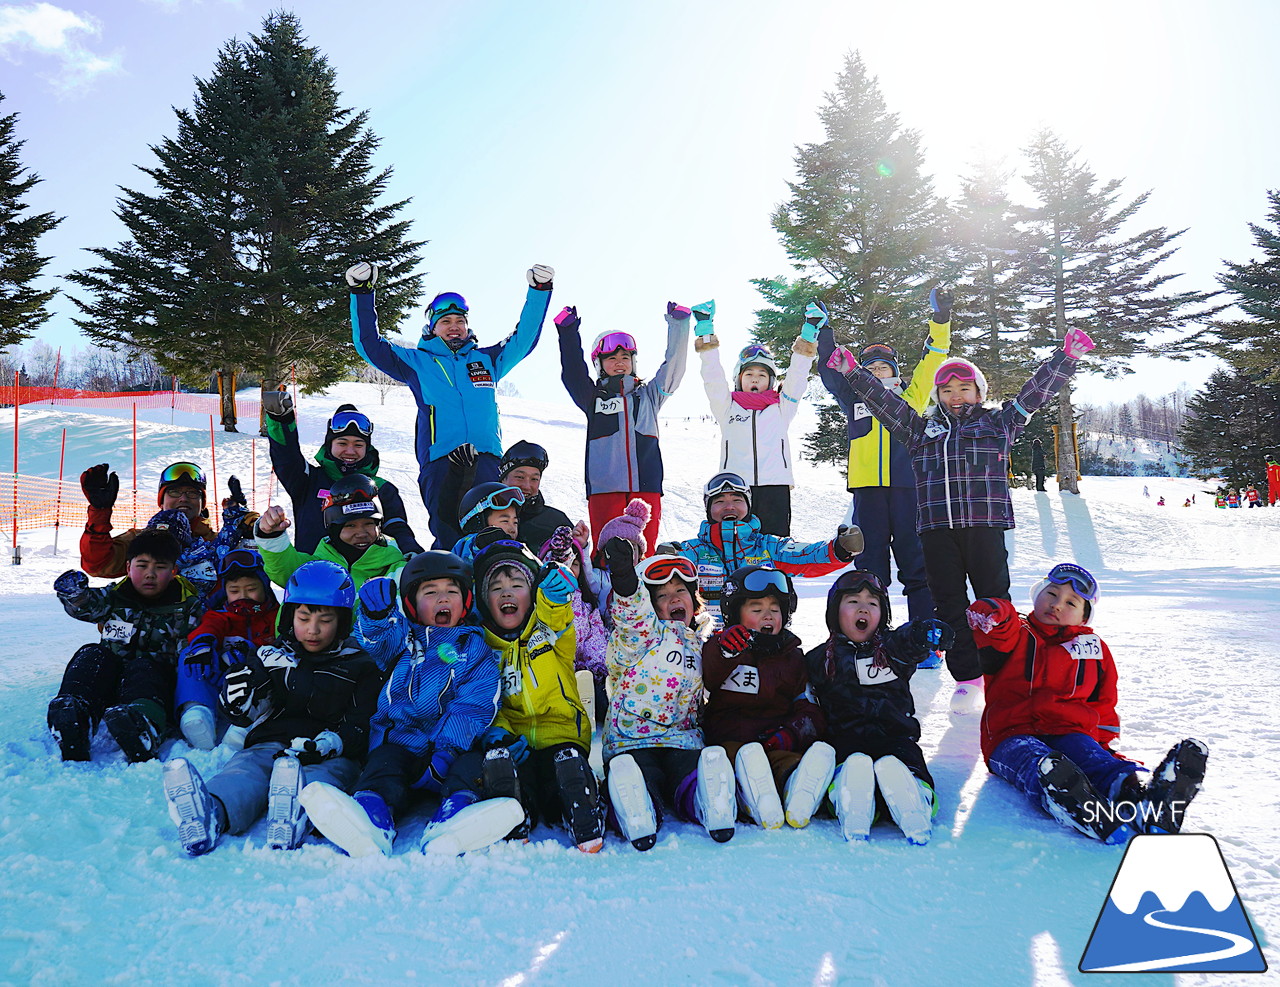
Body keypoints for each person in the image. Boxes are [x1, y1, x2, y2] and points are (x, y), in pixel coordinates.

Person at [827, 325, 1095, 714]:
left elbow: (1034, 393)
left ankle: (1003, 674)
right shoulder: (921, 431)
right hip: (936, 533)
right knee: (949, 606)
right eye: (947, 391)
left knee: (993, 602)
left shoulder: (998, 424)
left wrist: (1065, 358)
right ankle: (968, 679)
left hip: (984, 528)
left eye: (964, 389)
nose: (956, 397)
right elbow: (886, 405)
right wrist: (854, 373)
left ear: (979, 393)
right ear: (937, 396)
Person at [299, 552, 523, 857]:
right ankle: (371, 817)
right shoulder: (403, 639)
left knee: (473, 766)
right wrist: (377, 616)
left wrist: (447, 751)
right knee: (383, 765)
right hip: (401, 744)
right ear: (411, 605)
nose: (443, 598)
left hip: (452, 750)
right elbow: (376, 642)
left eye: (452, 591)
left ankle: (455, 818)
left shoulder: (474, 648)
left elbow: (475, 703)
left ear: (466, 600)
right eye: (430, 592)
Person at [967, 563, 1208, 842]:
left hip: (1069, 730)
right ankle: (1069, 800)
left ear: (1084, 616)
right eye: (1052, 594)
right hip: (1011, 734)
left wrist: (1101, 746)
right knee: (1034, 761)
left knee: (1096, 761)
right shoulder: (1017, 633)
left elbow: (1102, 702)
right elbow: (997, 629)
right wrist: (993, 610)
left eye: (1071, 602)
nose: (1057, 605)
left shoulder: (1093, 649)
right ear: (1037, 595)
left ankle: (1146, 797)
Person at [159, 561, 381, 855]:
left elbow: (361, 723)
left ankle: (298, 814)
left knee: (322, 784)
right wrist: (237, 702)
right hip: (271, 743)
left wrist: (333, 743)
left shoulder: (359, 665)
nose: (312, 630)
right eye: (303, 618)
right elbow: (246, 710)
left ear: (342, 620)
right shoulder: (272, 655)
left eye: (325, 620)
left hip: (330, 752)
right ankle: (211, 811)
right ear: (290, 616)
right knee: (244, 772)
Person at [347, 260, 555, 549]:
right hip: (442, 461)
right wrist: (362, 292)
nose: (454, 327)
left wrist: (539, 291)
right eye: (446, 322)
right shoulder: (417, 362)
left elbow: (524, 340)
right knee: (448, 530)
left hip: (487, 460)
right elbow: (370, 345)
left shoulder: (487, 360)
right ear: (433, 328)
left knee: (494, 528)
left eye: (460, 321)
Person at [817, 290, 951, 624]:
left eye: (883, 367)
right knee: (870, 565)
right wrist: (823, 332)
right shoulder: (853, 397)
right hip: (868, 491)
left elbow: (933, 358)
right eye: (871, 367)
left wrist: (941, 321)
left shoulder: (912, 395)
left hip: (908, 490)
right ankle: (873, 633)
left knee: (915, 562)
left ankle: (924, 634)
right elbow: (830, 369)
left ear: (894, 371)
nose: (877, 372)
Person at [599, 541, 736, 848]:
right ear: (650, 604)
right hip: (632, 739)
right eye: (662, 595)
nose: (674, 598)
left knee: (688, 772)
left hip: (682, 740)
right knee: (640, 773)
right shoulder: (641, 636)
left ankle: (707, 802)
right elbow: (632, 616)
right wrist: (624, 580)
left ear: (694, 601)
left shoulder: (703, 643)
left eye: (681, 592)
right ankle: (637, 810)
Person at [471, 540, 604, 852]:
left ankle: (581, 811)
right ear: (484, 600)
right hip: (518, 745)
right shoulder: (483, 648)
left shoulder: (550, 633)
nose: (507, 593)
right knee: (510, 771)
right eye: (497, 587)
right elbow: (484, 699)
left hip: (561, 737)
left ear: (531, 595)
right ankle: (514, 815)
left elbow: (558, 617)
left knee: (565, 769)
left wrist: (555, 599)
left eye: (517, 584)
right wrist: (498, 734)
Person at [805, 570, 954, 843]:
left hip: (895, 738)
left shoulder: (892, 649)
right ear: (834, 612)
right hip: (845, 740)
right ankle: (851, 798)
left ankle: (915, 796)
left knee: (904, 761)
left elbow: (909, 641)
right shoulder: (819, 659)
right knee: (849, 765)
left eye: (872, 604)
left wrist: (923, 633)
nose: (863, 608)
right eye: (853, 601)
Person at [48, 529, 204, 763]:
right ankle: (75, 715)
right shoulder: (116, 595)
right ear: (129, 567)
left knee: (144, 666)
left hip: (153, 686)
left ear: (173, 572)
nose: (150, 574)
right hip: (112, 678)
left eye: (160, 567)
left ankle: (143, 724)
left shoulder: (187, 605)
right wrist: (76, 596)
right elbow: (91, 606)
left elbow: (192, 650)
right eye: (142, 566)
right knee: (92, 653)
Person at [702, 566, 836, 831]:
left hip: (774, 742)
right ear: (734, 613)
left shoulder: (792, 657)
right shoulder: (720, 648)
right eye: (756, 609)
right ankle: (747, 796)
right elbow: (707, 676)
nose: (768, 616)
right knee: (732, 759)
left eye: (775, 610)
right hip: (731, 740)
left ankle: (797, 791)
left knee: (791, 762)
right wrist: (725, 651)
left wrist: (792, 734)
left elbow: (807, 706)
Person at [555, 301, 691, 551]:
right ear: (600, 364)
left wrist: (679, 324)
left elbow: (674, 368)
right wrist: (568, 331)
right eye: (612, 358)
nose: (620, 362)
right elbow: (573, 372)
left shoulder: (650, 396)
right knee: (608, 554)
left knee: (644, 553)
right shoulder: (593, 398)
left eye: (625, 357)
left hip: (646, 488)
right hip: (604, 489)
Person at [692, 299, 821, 536]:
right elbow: (712, 376)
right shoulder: (727, 407)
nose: (754, 379)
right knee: (734, 543)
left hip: (775, 487)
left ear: (770, 381)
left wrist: (809, 334)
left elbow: (798, 374)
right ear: (739, 379)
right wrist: (705, 331)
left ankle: (778, 575)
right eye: (749, 373)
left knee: (775, 543)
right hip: (735, 489)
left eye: (762, 374)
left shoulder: (782, 406)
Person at [670, 472, 863, 627]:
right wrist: (664, 557)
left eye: (737, 500)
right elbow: (661, 572)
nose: (729, 507)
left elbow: (806, 556)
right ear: (708, 509)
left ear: (748, 506)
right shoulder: (694, 551)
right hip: (708, 645)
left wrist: (838, 549)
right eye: (719, 501)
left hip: (762, 641)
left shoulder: (768, 546)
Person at [260, 397, 422, 555]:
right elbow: (286, 457)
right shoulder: (308, 480)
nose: (350, 451)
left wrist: (411, 551)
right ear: (330, 445)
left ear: (367, 448)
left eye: (358, 445)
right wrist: (281, 419)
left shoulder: (382, 488)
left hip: (368, 578)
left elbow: (397, 527)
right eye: (342, 443)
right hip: (312, 576)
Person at [78, 461, 256, 580]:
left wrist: (251, 527)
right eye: (174, 492)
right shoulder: (140, 540)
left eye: (192, 493)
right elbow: (98, 564)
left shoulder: (219, 542)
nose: (183, 498)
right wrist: (99, 514)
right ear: (161, 502)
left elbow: (258, 566)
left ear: (202, 504)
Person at [175, 549, 280, 750]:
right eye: (234, 591)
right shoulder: (221, 615)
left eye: (251, 589)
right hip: (221, 680)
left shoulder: (276, 616)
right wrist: (203, 646)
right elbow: (208, 628)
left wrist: (249, 654)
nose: (243, 596)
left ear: (265, 587)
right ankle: (197, 711)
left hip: (255, 683)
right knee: (191, 657)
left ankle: (247, 724)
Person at [254, 475, 409, 591]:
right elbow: (283, 569)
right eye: (350, 525)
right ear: (334, 530)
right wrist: (271, 536)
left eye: (369, 524)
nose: (361, 533)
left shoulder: (395, 569)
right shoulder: (317, 565)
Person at [539, 526, 608, 725]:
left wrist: (595, 668)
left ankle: (591, 706)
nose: (570, 569)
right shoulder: (540, 602)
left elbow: (593, 639)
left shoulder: (587, 605)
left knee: (600, 697)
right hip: (552, 668)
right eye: (563, 563)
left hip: (582, 672)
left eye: (575, 564)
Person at [499, 441, 574, 551]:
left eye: (534, 479)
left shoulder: (556, 521)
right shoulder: (485, 515)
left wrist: (581, 545)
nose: (526, 486)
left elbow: (575, 563)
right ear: (503, 479)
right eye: (519, 477)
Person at [451, 481, 525, 562]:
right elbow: (465, 553)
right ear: (478, 523)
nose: (512, 529)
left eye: (515, 523)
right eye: (505, 521)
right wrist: (479, 544)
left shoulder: (520, 551)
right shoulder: (467, 547)